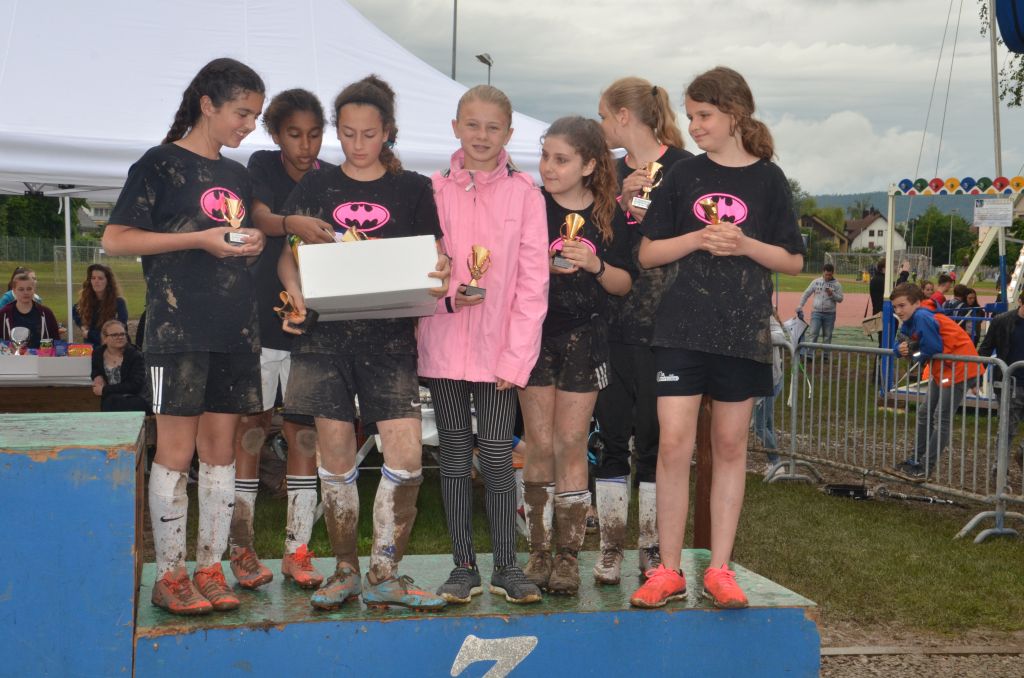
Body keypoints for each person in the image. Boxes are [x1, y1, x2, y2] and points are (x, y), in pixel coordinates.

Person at [629, 67, 805, 610]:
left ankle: (721, 569)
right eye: (690, 116)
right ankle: (668, 570)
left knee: (730, 448)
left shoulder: (769, 180)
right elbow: (647, 254)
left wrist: (745, 245)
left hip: (741, 334)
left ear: (735, 114)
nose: (695, 126)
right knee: (673, 446)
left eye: (704, 115)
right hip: (680, 331)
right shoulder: (683, 174)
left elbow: (793, 260)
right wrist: (698, 239)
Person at [276, 75, 451, 612]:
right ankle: (346, 570)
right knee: (334, 457)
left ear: (388, 131)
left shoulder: (413, 189)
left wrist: (440, 272)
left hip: (390, 340)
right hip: (324, 341)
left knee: (406, 455)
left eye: (369, 134)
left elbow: (435, 256)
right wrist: (294, 291)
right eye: (348, 133)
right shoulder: (316, 187)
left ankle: (386, 572)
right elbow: (288, 256)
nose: (357, 144)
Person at [102, 57, 268, 616]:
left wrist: (251, 244)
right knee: (174, 451)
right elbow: (117, 240)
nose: (249, 125)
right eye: (242, 113)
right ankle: (169, 574)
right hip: (175, 331)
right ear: (207, 104)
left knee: (221, 452)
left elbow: (234, 240)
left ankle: (209, 568)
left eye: (255, 116)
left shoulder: (238, 175)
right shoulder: (159, 163)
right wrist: (199, 239)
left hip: (235, 329)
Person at [417, 85, 548, 606]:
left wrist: (517, 358)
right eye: (472, 125)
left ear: (509, 134)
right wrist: (445, 300)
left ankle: (507, 567)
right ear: (455, 127)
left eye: (493, 127)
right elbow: (422, 269)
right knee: (452, 455)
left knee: (496, 455)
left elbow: (533, 285)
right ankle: (463, 567)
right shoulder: (432, 190)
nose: (482, 136)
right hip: (444, 344)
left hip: (499, 356)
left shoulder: (526, 195)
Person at [227, 88, 338, 593]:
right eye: (294, 134)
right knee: (251, 430)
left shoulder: (328, 178)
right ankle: (242, 547)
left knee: (304, 436)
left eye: (314, 134)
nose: (305, 145)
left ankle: (298, 549)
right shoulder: (261, 165)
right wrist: (294, 223)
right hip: (260, 323)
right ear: (275, 134)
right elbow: (262, 219)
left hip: (311, 326)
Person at [519, 116, 635, 596]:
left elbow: (624, 284)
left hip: (585, 339)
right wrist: (539, 266)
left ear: (589, 165)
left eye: (561, 159)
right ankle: (538, 551)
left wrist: (596, 264)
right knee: (538, 443)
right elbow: (507, 269)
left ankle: (568, 555)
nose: (549, 167)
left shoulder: (611, 214)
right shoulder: (529, 205)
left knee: (570, 442)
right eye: (545, 156)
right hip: (534, 337)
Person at [593, 76, 693, 582]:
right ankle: (610, 546)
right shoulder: (606, 172)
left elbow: (695, 239)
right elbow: (592, 240)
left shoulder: (684, 168)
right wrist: (616, 201)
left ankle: (652, 546)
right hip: (611, 326)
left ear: (624, 116)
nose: (601, 125)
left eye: (603, 116)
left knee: (656, 445)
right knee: (611, 440)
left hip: (666, 329)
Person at [890, 283, 982, 481]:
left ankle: (925, 466)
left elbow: (932, 347)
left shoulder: (922, 316)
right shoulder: (913, 318)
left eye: (902, 306)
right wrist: (900, 349)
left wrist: (911, 352)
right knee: (925, 412)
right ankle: (916, 459)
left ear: (916, 303)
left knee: (941, 418)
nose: (898, 311)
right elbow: (901, 340)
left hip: (959, 367)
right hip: (945, 367)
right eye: (895, 307)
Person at [977, 290, 1024, 460]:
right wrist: (976, 377)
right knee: (1007, 427)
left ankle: (1021, 453)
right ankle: (999, 466)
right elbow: (985, 348)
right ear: (1020, 302)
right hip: (1010, 383)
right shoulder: (1002, 321)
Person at [752, 312, 789, 471]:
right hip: (758, 381)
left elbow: (780, 337)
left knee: (759, 427)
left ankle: (776, 463)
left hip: (770, 382)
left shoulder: (767, 316)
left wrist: (754, 338)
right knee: (767, 424)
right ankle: (775, 463)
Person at [90, 319, 149, 412]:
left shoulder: (135, 355)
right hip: (111, 401)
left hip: (135, 399)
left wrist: (104, 390)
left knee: (111, 401)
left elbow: (135, 385)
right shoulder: (98, 353)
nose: (120, 337)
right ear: (105, 338)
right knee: (110, 401)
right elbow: (95, 369)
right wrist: (97, 376)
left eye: (122, 334)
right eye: (115, 335)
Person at [0, 271, 62, 348]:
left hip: (41, 355)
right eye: (21, 289)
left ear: (34, 290)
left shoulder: (46, 314)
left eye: (29, 289)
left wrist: (43, 351)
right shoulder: (4, 314)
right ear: (14, 291)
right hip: (12, 356)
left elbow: (56, 341)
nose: (26, 292)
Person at [73, 263, 129, 348]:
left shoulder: (119, 303)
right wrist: (83, 327)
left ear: (108, 281)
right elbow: (76, 311)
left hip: (113, 350)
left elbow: (117, 334)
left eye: (100, 278)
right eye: (93, 278)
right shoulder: (84, 303)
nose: (96, 281)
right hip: (91, 350)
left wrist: (89, 334)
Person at [796, 263, 843, 350]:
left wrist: (832, 294)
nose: (828, 277)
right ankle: (810, 354)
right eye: (826, 274)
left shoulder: (837, 284)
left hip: (830, 314)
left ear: (833, 273)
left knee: (827, 335)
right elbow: (807, 293)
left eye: (830, 275)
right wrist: (800, 305)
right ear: (823, 272)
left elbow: (840, 299)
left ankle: (825, 355)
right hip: (816, 312)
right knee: (813, 333)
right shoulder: (816, 282)